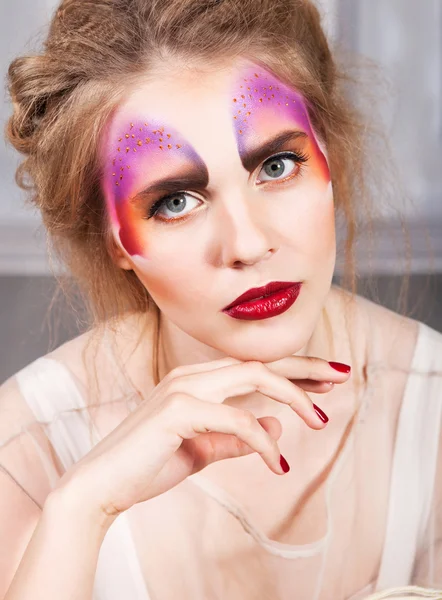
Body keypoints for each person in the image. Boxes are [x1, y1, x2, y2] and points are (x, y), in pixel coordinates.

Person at [0, 0, 441, 599]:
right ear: (113, 239)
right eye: (176, 201)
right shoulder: (22, 450)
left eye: (278, 164)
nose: (250, 244)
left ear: (329, 155)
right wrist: (80, 509)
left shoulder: (431, 409)